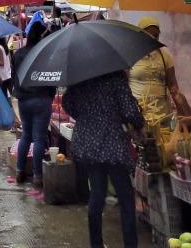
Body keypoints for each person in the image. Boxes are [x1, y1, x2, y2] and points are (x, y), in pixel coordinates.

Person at [64, 70, 145, 248]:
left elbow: (68, 104)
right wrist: (138, 123)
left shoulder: (79, 78)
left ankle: (96, 244)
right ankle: (130, 245)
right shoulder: (115, 78)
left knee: (97, 192)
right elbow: (130, 111)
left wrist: (88, 118)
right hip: (112, 144)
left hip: (87, 143)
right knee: (126, 197)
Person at [12, 22, 56, 187]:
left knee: (26, 135)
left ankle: (19, 172)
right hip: (41, 98)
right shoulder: (44, 55)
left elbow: (15, 77)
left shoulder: (18, 54)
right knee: (39, 138)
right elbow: (51, 78)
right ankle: (38, 176)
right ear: (41, 36)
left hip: (23, 99)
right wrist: (51, 96)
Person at [128, 16, 191, 126]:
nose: (153, 38)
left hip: (162, 116)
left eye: (156, 35)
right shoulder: (130, 56)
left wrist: (183, 115)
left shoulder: (165, 56)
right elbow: (124, 86)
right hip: (138, 115)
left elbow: (173, 86)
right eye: (149, 34)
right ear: (140, 35)